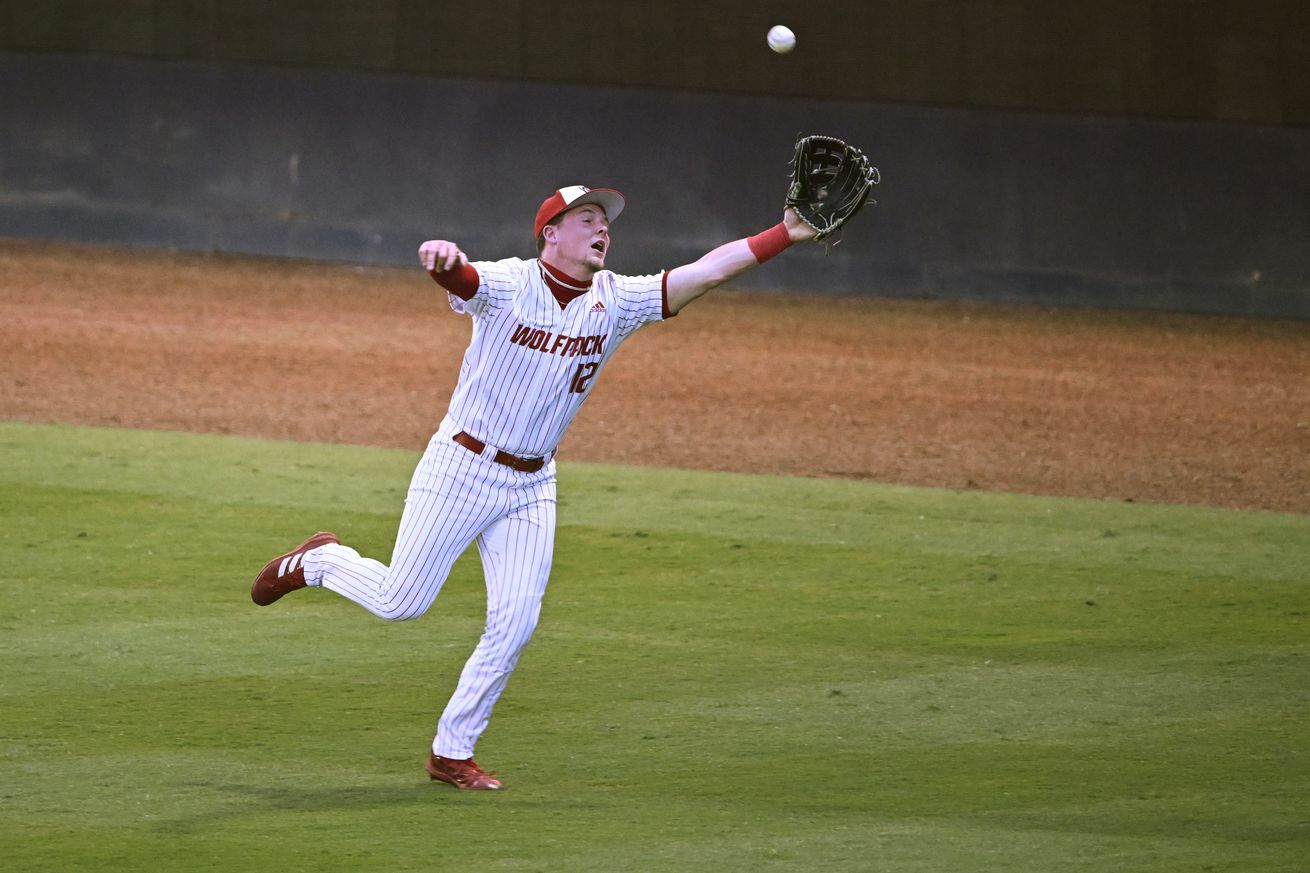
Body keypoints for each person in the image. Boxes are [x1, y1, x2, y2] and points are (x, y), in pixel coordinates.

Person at [250, 185, 819, 790]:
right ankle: (320, 561)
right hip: (461, 468)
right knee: (401, 602)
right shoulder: (509, 282)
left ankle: (452, 752)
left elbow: (704, 273)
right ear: (551, 232)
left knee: (515, 623)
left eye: (606, 222)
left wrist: (786, 232)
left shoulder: (616, 299)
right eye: (588, 218)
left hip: (532, 484)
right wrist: (445, 262)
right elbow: (465, 280)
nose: (603, 229)